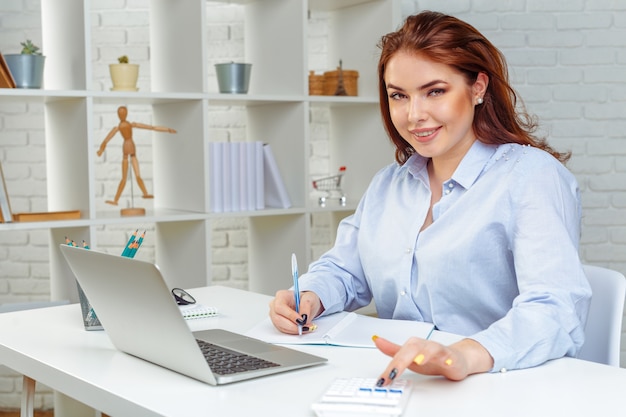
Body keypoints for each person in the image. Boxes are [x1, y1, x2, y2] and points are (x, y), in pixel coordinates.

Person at [269, 11, 591, 385]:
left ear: (478, 88)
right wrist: (309, 297)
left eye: (434, 91)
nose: (414, 115)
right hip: (404, 380)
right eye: (398, 96)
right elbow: (345, 269)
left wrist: (463, 355)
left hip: (499, 383)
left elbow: (555, 308)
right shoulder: (390, 184)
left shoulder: (531, 177)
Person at [97, 106, 176, 205]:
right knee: (134, 175)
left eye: (122, 113)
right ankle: (139, 194)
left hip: (127, 147)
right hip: (130, 146)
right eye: (121, 113)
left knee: (129, 177)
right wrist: (168, 129)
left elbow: (106, 140)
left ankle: (124, 198)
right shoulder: (130, 125)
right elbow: (151, 127)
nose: (121, 115)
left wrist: (101, 149)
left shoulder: (119, 127)